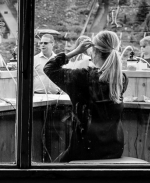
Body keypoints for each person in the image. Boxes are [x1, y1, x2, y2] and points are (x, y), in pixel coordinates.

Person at [44, 30, 127, 162]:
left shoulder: (82, 77)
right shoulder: (121, 79)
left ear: (95, 51)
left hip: (86, 148)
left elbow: (49, 68)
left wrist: (75, 51)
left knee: (52, 171)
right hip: (114, 148)